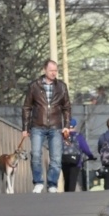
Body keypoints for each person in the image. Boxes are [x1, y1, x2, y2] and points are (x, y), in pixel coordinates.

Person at [21, 60, 72, 193]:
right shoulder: (34, 86)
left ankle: (52, 184)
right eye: (51, 70)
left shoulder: (61, 86)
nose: (54, 73)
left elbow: (66, 107)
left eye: (55, 70)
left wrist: (66, 125)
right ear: (44, 70)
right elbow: (27, 107)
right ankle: (38, 182)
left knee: (56, 157)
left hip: (56, 126)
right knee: (36, 154)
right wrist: (25, 128)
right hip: (37, 125)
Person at [61, 118, 96, 192]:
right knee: (72, 180)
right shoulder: (78, 136)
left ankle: (65, 196)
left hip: (64, 160)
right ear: (75, 126)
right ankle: (70, 196)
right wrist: (91, 156)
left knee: (66, 179)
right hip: (76, 162)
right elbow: (85, 148)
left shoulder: (62, 136)